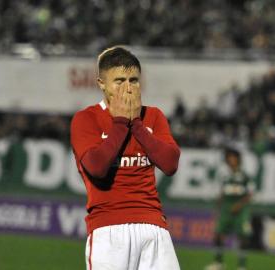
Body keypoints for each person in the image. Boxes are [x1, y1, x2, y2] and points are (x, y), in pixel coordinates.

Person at [70, 46, 181, 270]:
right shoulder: (86, 119)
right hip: (108, 230)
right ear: (101, 83)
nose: (128, 88)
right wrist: (121, 122)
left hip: (153, 227)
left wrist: (137, 124)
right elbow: (97, 167)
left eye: (134, 80)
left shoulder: (153, 116)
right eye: (119, 81)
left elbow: (170, 164)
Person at [205, 148, 254, 270]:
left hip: (240, 208)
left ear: (238, 159)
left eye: (233, 157)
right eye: (229, 157)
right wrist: (217, 208)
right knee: (218, 235)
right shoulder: (224, 175)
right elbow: (221, 193)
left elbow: (250, 194)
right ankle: (218, 263)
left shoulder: (245, 176)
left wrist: (239, 205)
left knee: (243, 236)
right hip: (226, 207)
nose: (231, 160)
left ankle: (242, 265)